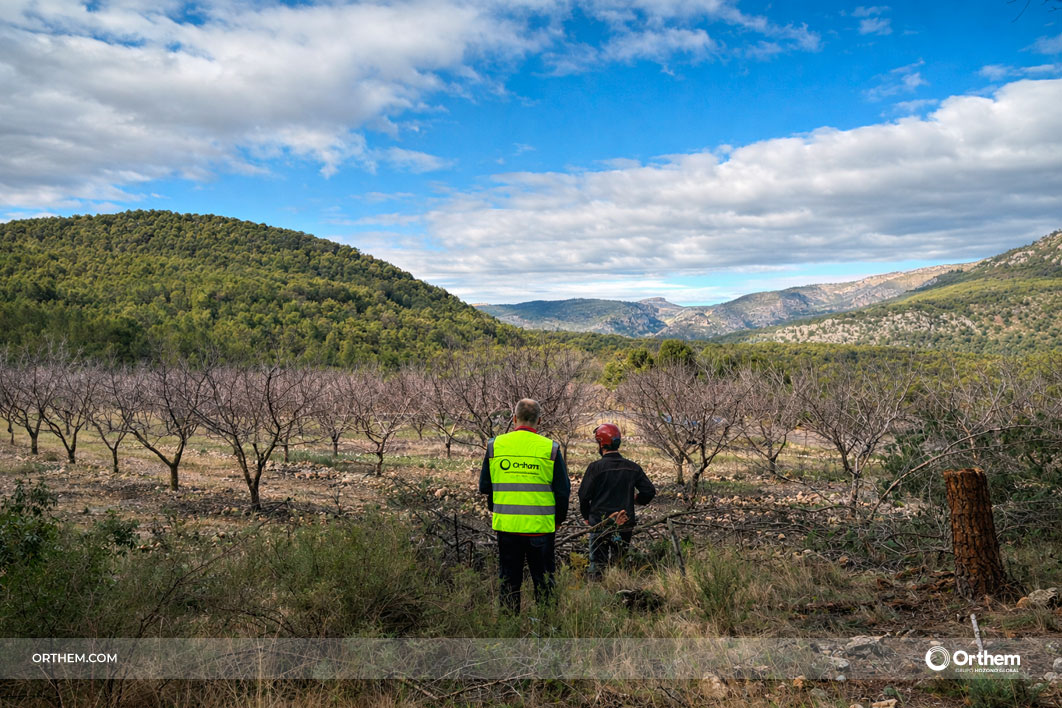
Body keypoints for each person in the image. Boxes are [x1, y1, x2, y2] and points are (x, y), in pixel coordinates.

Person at [479, 398, 571, 613]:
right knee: (545, 582)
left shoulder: (495, 445)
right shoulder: (551, 448)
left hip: (507, 527)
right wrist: (558, 521)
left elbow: (485, 486)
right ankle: (547, 627)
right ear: (539, 421)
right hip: (541, 529)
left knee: (509, 583)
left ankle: (509, 631)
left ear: (514, 419)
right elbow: (563, 491)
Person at [579, 422, 655, 577]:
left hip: (599, 523)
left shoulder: (595, 468)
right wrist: (637, 500)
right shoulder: (633, 467)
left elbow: (583, 496)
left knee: (597, 566)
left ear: (601, 443)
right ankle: (619, 591)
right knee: (619, 564)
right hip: (624, 523)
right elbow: (649, 491)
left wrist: (587, 517)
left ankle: (597, 593)